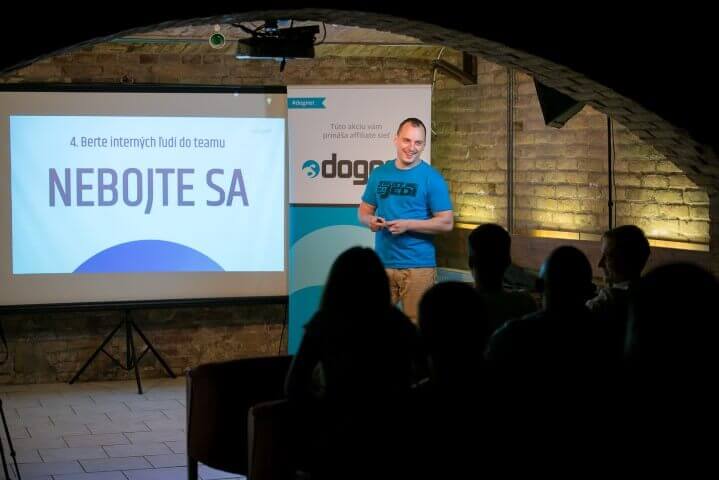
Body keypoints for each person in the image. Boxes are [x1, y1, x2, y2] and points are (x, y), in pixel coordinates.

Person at [358, 117, 453, 323]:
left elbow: (446, 222)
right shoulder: (379, 173)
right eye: (407, 140)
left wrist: (408, 225)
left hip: (419, 267)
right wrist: (370, 221)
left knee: (418, 329)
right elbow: (363, 212)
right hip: (383, 263)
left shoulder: (432, 178)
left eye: (418, 143)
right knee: (373, 327)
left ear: (424, 145)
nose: (411, 148)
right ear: (396, 139)